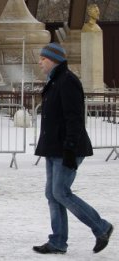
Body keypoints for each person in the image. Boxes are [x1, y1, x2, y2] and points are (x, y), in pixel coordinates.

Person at [32, 42, 113, 254]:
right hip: (54, 148)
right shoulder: (55, 81)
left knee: (60, 192)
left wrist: (69, 148)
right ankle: (58, 241)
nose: (40, 62)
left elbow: (74, 118)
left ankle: (101, 227)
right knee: (52, 194)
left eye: (43, 59)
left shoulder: (67, 81)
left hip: (67, 148)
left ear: (52, 60)